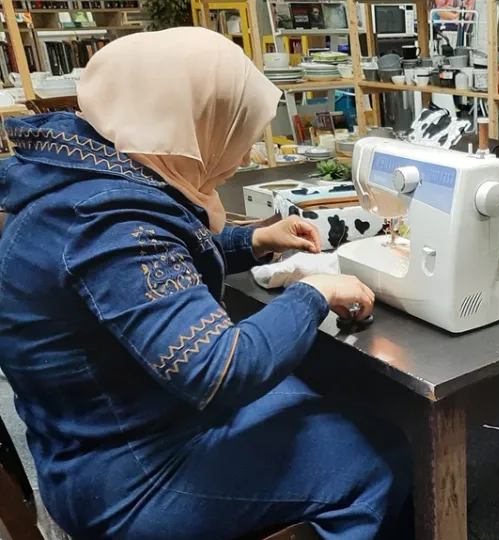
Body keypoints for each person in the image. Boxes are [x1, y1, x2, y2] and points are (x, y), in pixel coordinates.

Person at [0, 28, 411, 539]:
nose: (237, 156)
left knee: (305, 394)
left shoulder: (83, 180)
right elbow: (221, 371)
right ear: (183, 124)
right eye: (228, 133)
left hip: (95, 443)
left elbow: (152, 270)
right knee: (380, 457)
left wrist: (254, 239)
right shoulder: (109, 227)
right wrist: (317, 294)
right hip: (132, 483)